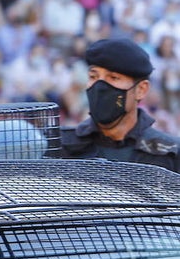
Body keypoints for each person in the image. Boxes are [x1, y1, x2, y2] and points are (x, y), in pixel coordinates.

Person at [60, 38, 180, 171]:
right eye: (93, 77)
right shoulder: (62, 146)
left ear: (141, 90)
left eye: (113, 78)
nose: (100, 87)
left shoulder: (170, 152)